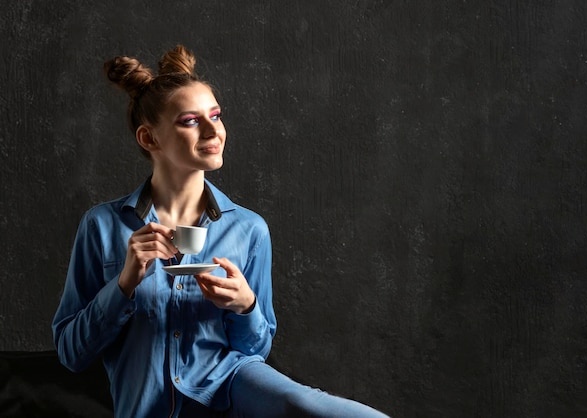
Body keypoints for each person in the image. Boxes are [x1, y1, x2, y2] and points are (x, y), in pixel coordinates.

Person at [52, 45, 388, 418]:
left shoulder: (249, 229)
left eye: (216, 115)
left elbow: (255, 348)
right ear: (149, 139)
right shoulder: (101, 225)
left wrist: (245, 306)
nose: (214, 130)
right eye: (191, 121)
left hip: (232, 389)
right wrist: (124, 283)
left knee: (320, 409)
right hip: (146, 406)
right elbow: (71, 353)